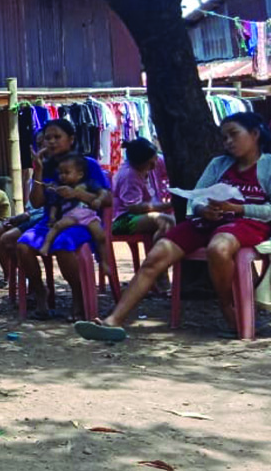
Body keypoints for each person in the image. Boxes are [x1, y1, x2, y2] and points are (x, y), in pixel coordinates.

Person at [77, 112, 271, 342]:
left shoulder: (267, 165)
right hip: (206, 221)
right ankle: (113, 321)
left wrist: (239, 209)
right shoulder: (219, 164)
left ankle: (228, 308)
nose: (228, 141)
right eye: (224, 137)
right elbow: (196, 197)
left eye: (233, 135)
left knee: (219, 247)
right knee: (157, 254)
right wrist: (201, 209)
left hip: (248, 224)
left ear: (255, 134)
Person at [14, 120, 111, 320]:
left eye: (57, 137)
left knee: (62, 245)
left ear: (71, 139)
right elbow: (37, 202)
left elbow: (107, 198)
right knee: (23, 245)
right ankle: (41, 292)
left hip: (81, 221)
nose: (51, 142)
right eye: (48, 138)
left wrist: (77, 194)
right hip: (51, 222)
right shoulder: (46, 167)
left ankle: (78, 295)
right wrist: (38, 171)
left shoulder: (87, 164)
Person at [37, 155, 110, 276]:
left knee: (100, 236)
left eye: (67, 173)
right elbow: (54, 204)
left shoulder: (88, 183)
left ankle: (104, 261)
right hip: (70, 216)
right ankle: (46, 244)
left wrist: (99, 200)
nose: (62, 176)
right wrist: (52, 217)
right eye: (60, 173)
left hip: (88, 215)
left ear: (80, 174)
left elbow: (103, 192)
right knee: (57, 227)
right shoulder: (60, 188)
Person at [111, 137, 174, 240]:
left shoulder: (154, 162)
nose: (154, 165)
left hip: (142, 214)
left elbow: (171, 168)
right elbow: (134, 208)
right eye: (150, 163)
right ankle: (156, 253)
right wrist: (166, 206)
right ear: (138, 163)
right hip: (122, 221)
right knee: (166, 221)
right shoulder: (129, 176)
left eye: (155, 159)